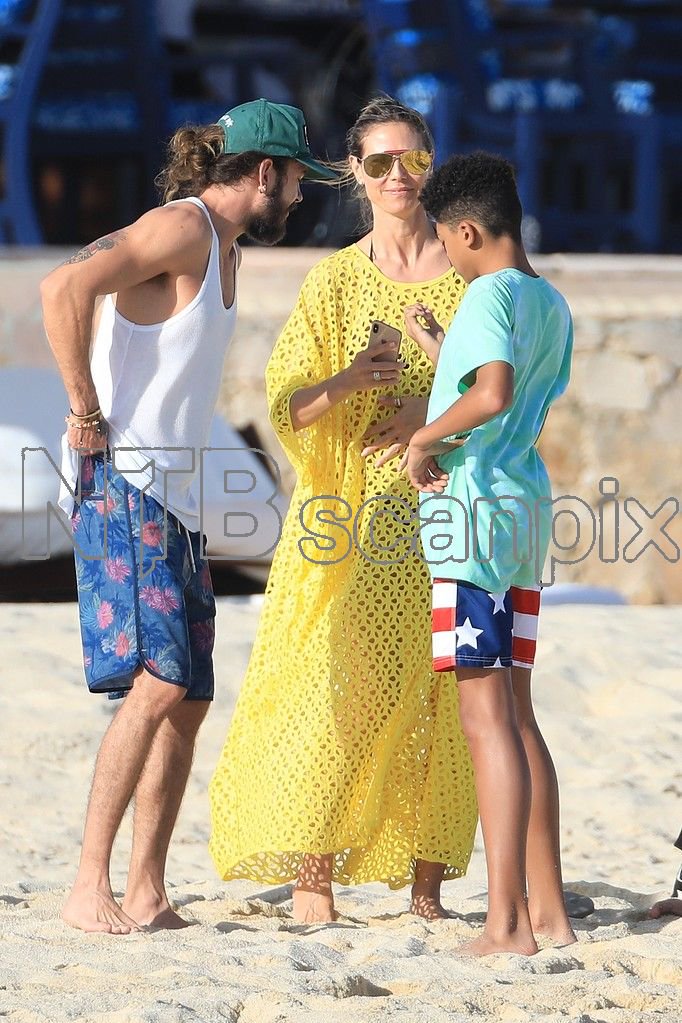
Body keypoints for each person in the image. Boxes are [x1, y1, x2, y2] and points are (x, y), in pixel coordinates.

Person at [41, 98, 335, 935]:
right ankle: (86, 885)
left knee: (192, 692)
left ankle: (146, 889)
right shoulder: (183, 227)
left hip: (176, 498)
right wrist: (83, 410)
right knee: (159, 678)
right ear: (265, 173)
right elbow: (63, 285)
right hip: (124, 481)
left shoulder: (224, 248)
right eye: (298, 183)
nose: (303, 200)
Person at [209, 96, 478, 923]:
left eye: (413, 160)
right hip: (354, 518)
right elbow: (288, 400)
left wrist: (430, 414)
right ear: (356, 179)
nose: (398, 177)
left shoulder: (475, 278)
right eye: (379, 162)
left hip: (449, 510)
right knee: (338, 691)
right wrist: (352, 382)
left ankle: (427, 887)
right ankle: (313, 882)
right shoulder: (334, 281)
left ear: (432, 165)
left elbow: (507, 390)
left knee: (448, 694)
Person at [405, 151, 576, 955]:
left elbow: (492, 395)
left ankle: (504, 922)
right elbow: (514, 404)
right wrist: (449, 355)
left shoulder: (484, 295)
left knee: (484, 722)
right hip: (525, 514)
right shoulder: (549, 301)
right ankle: (549, 909)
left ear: (468, 230)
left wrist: (421, 437)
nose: (445, 255)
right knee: (520, 714)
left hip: (470, 518)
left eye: (445, 242)